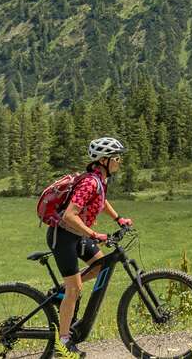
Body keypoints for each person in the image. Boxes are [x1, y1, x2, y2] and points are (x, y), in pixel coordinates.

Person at [50, 136, 133, 356]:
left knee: (100, 265)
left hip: (77, 236)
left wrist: (118, 219)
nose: (119, 162)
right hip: (64, 237)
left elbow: (101, 200)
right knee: (75, 289)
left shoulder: (99, 180)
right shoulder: (90, 182)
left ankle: (61, 291)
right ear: (104, 160)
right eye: (116, 157)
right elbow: (69, 215)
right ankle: (64, 343)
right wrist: (94, 233)